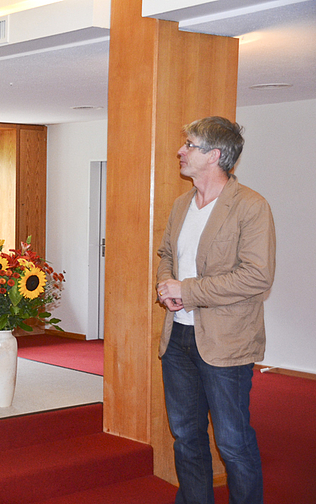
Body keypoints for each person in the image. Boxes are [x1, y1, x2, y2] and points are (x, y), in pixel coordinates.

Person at [156, 116, 275, 503]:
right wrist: (166, 285)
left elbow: (257, 276)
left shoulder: (251, 207)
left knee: (233, 441)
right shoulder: (180, 204)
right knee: (186, 435)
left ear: (216, 156)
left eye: (190, 144)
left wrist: (187, 291)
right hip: (178, 338)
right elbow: (167, 255)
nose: (181, 151)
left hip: (227, 342)